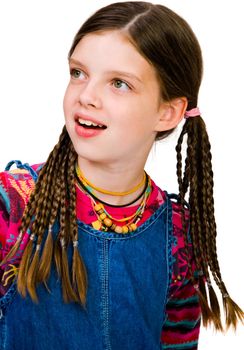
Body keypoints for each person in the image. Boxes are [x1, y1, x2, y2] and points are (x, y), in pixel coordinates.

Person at [0, 1, 243, 349]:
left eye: (119, 83)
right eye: (78, 73)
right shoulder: (13, 206)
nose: (86, 96)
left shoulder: (177, 236)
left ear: (168, 112)